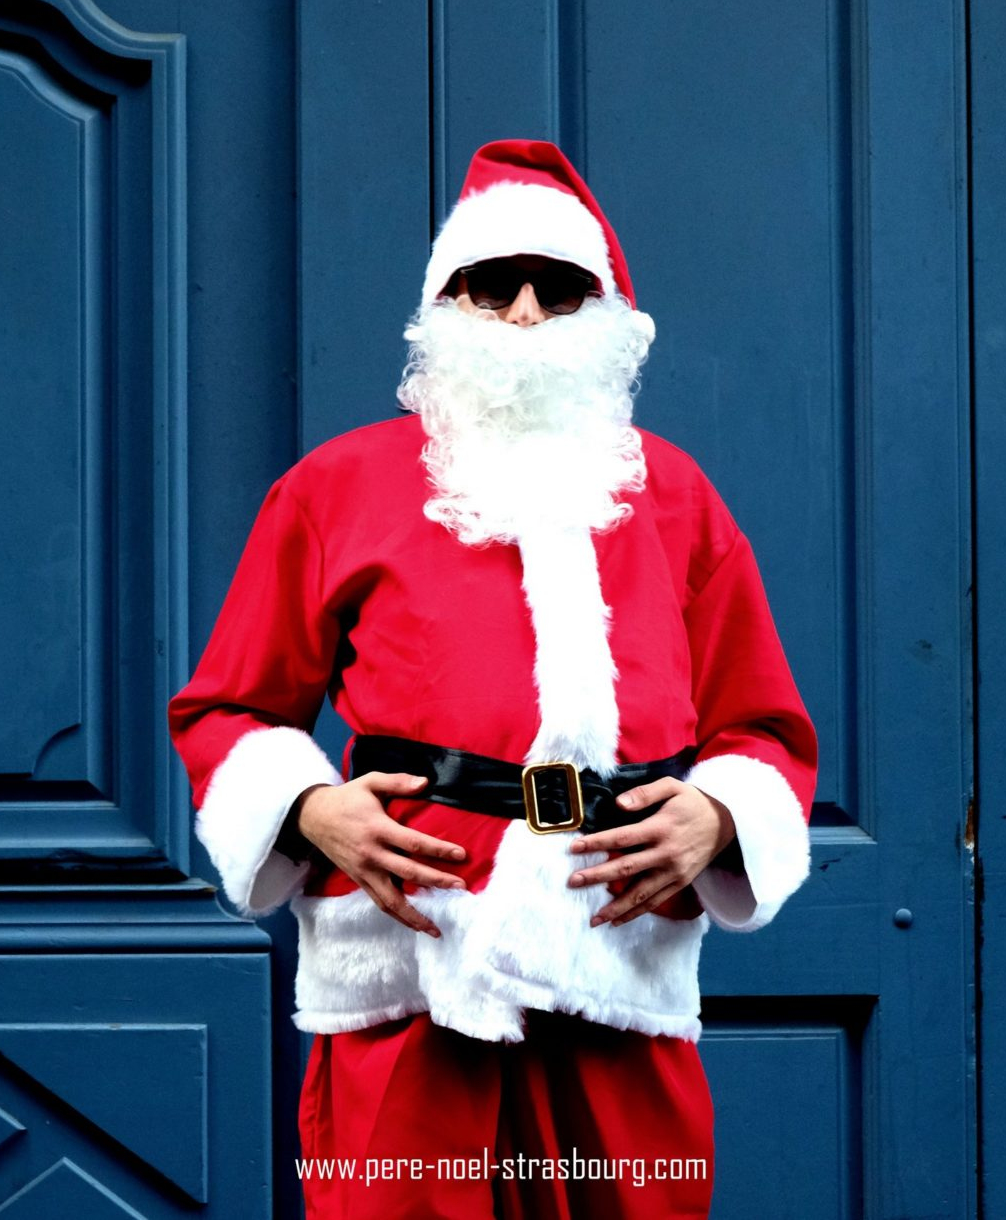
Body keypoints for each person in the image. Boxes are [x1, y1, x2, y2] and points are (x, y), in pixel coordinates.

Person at [167, 139, 819, 1218]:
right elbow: (228, 706)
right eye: (491, 284)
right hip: (414, 968)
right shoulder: (336, 486)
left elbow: (762, 726)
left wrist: (717, 817)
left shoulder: (676, 498)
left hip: (615, 964)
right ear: (443, 303)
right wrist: (307, 808)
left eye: (557, 289)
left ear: (605, 314)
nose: (522, 314)